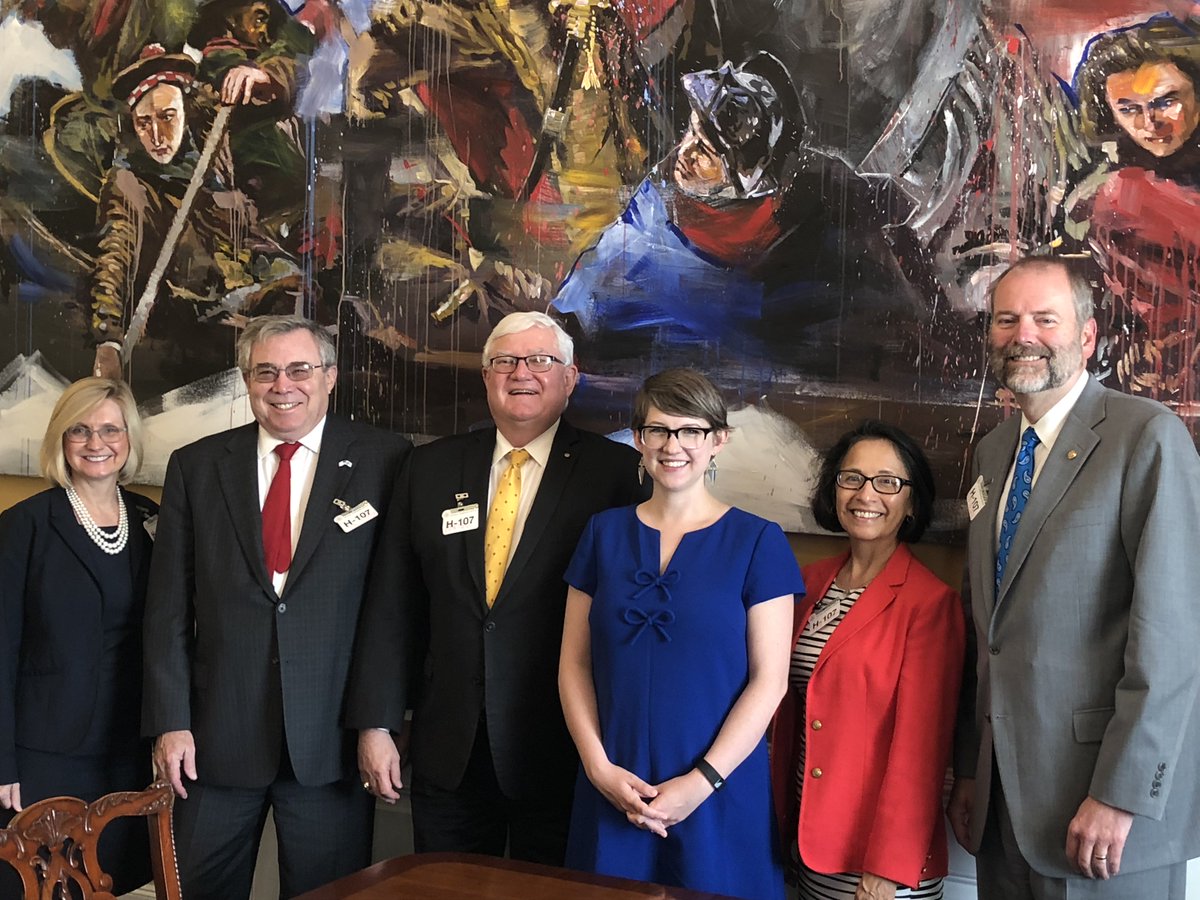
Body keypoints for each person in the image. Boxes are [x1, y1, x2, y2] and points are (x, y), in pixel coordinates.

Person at [347, 310, 646, 865]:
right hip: (448, 747)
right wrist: (379, 722)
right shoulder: (429, 467)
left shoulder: (617, 475)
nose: (521, 373)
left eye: (539, 360)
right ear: (485, 376)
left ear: (570, 377)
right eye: (505, 361)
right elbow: (394, 606)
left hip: (562, 746)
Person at [948, 256, 1200, 898]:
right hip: (1004, 803)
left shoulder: (1147, 436)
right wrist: (971, 769)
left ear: (1086, 337)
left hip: (1103, 812)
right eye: (1006, 319)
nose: (1022, 334)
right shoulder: (995, 451)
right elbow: (992, 631)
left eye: (1044, 318)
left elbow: (1173, 638)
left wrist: (1121, 793)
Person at [141, 315, 410, 900]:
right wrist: (170, 720)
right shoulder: (196, 465)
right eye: (265, 371)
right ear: (246, 380)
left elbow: (392, 612)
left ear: (331, 377)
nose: (282, 384)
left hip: (331, 745)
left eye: (298, 370)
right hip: (212, 742)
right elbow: (166, 609)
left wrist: (379, 721)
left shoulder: (385, 460)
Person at [557, 367, 802, 898]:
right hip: (613, 783)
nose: (674, 445)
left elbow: (770, 681)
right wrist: (598, 769)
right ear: (639, 440)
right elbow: (573, 664)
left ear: (718, 440)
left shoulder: (759, 541)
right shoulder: (603, 533)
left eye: (690, 430)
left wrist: (701, 783)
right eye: (658, 430)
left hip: (718, 787)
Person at [770, 420, 963, 900]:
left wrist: (888, 867)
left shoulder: (929, 603)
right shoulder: (808, 583)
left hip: (877, 862)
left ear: (912, 501)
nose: (866, 494)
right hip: (809, 839)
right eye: (851, 477)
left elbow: (922, 752)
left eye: (887, 482)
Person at [0, 377, 158, 898]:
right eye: (81, 430)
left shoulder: (152, 521)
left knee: (111, 882)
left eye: (111, 429)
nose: (97, 443)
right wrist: (2, 762)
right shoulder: (24, 526)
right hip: (43, 755)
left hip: (127, 751)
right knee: (43, 886)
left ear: (129, 439)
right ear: (60, 441)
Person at [90, 44, 260, 381]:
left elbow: (285, 82)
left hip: (253, 287)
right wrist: (108, 338)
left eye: (167, 117)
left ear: (186, 111)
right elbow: (116, 251)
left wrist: (261, 76)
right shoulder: (131, 185)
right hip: (199, 312)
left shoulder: (220, 134)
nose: (156, 136)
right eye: (144, 123)